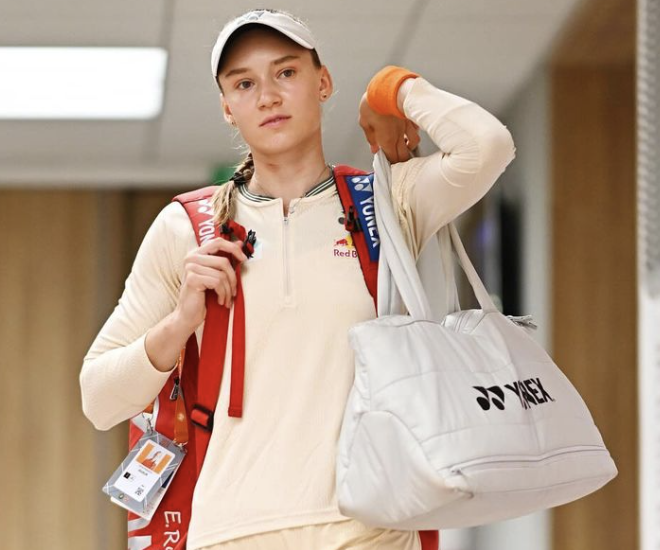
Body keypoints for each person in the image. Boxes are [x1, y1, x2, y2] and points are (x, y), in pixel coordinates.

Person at [80, 7, 516, 550]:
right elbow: (98, 398)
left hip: (370, 532)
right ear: (227, 108)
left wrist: (391, 90)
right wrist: (180, 322)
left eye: (286, 72)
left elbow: (488, 146)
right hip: (228, 535)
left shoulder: (387, 202)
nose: (267, 96)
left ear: (323, 82)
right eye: (244, 84)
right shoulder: (186, 227)